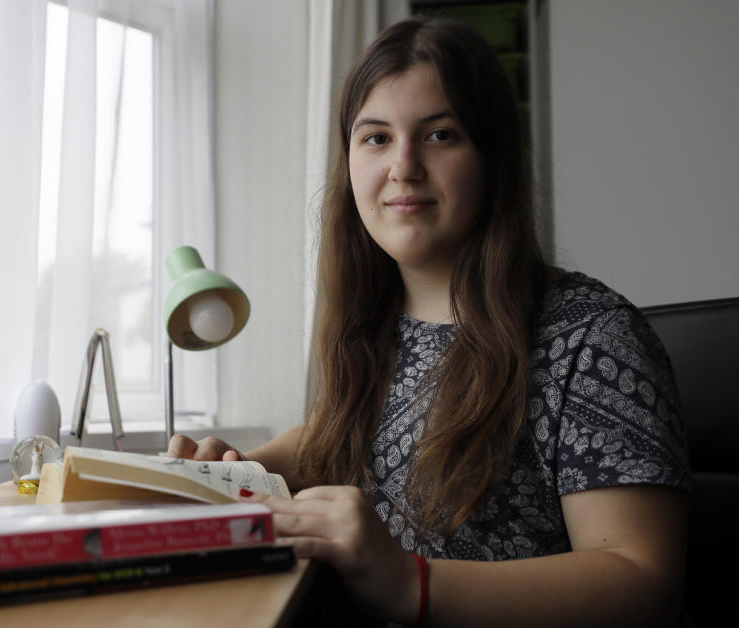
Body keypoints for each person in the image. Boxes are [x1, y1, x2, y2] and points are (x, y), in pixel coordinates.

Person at [169, 16, 690, 627]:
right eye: (376, 138)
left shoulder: (593, 336)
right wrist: (230, 471)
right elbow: (346, 438)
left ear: (493, 159)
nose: (404, 166)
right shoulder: (374, 323)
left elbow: (641, 577)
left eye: (440, 135)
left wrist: (410, 581)